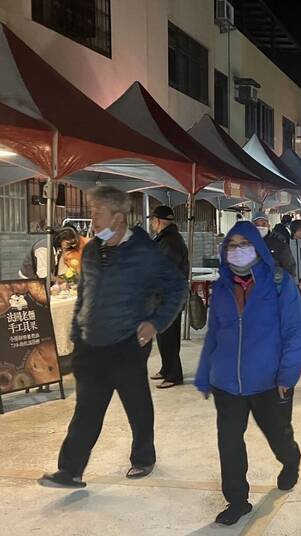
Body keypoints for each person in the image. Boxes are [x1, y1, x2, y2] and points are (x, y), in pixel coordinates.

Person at [39, 187, 187, 489]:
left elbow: (177, 287)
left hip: (127, 344)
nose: (92, 219)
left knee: (137, 405)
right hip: (91, 346)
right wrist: (77, 335)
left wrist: (156, 322)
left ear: (118, 218)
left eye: (98, 212)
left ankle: (143, 457)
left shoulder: (145, 252)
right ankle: (70, 471)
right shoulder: (93, 250)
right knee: (86, 412)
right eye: (92, 211)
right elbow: (85, 295)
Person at [195, 221, 301, 526]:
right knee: (229, 442)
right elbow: (215, 333)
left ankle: (290, 460)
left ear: (256, 249)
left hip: (268, 381)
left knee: (278, 435)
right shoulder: (222, 288)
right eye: (231, 245)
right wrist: (205, 372)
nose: (237, 251)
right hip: (227, 383)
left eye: (244, 244)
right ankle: (237, 500)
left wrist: (287, 375)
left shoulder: (279, 283)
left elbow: (297, 331)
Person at [148, 205, 189, 389]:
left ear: (158, 221)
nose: (151, 224)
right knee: (163, 336)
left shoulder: (171, 241)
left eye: (152, 220)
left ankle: (174, 375)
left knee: (170, 337)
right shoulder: (164, 238)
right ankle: (166, 369)